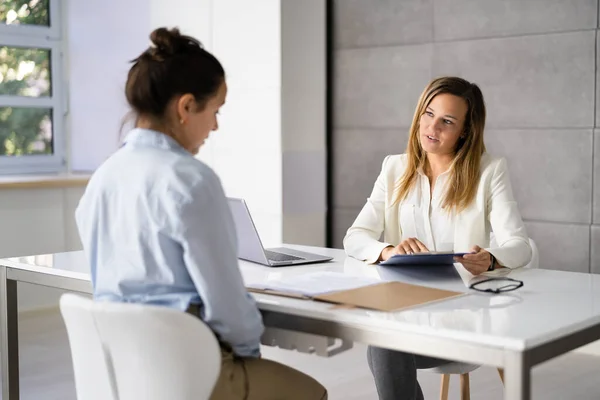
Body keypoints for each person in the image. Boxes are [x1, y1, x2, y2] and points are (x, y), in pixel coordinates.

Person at [75, 27, 327, 400]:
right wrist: (247, 352)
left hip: (123, 372)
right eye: (215, 110)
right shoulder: (191, 181)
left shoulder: (102, 179)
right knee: (313, 393)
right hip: (188, 371)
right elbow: (226, 307)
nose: (215, 125)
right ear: (186, 106)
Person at [343, 76, 531, 400]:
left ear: (465, 131)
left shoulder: (489, 171)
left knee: (384, 346)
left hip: (466, 318)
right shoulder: (394, 168)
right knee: (385, 342)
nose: (433, 127)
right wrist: (389, 250)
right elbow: (355, 237)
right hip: (408, 310)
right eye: (428, 114)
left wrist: (490, 257)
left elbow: (520, 245)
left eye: (447, 121)